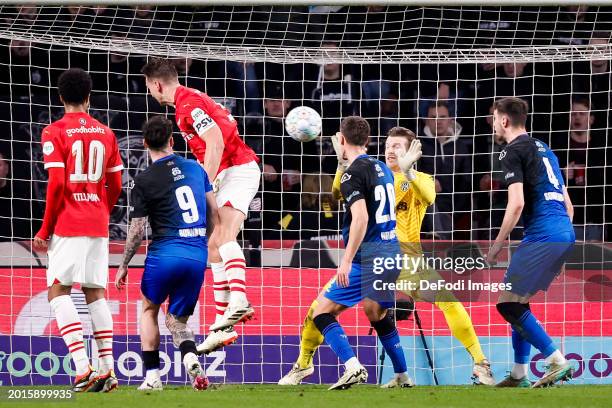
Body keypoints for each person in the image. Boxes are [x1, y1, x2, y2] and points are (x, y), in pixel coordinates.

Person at [279, 126, 494, 387]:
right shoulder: (375, 173)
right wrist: (342, 163)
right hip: (374, 257)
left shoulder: (419, 178)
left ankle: (480, 363)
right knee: (352, 311)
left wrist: (409, 171)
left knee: (448, 301)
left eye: (397, 146)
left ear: (412, 152)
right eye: (388, 145)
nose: (390, 150)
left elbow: (430, 195)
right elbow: (337, 193)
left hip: (408, 260)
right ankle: (304, 364)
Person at [141, 58, 260, 354]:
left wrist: (202, 182)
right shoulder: (191, 100)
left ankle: (240, 299)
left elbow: (216, 141)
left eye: (149, 88)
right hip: (229, 170)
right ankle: (223, 324)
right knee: (213, 243)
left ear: (157, 84)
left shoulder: (186, 105)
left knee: (224, 235)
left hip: (237, 169)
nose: (150, 94)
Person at [32, 68, 123, 392]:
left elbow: (56, 183)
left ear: (60, 97)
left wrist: (45, 229)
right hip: (97, 222)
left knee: (59, 291)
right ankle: (108, 370)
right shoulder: (106, 133)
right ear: (88, 96)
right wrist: (101, 209)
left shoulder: (53, 131)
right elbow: (116, 184)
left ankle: (83, 367)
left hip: (68, 223)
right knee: (95, 292)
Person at [115, 116, 217, 391]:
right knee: (177, 320)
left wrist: (124, 264)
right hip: (196, 254)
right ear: (173, 140)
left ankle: (152, 378)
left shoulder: (145, 180)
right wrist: (201, 242)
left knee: (149, 309)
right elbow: (213, 213)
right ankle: (190, 356)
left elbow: (136, 231)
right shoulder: (196, 169)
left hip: (164, 253)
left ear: (146, 143)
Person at [307, 116, 408, 390]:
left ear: (341, 140)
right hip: (391, 252)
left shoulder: (352, 174)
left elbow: (361, 218)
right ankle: (402, 375)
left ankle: (352, 367)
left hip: (369, 258)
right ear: (368, 140)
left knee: (321, 312)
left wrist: (346, 260)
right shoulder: (382, 167)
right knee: (376, 313)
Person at [486, 97, 575, 388]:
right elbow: (568, 206)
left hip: (543, 233)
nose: (492, 124)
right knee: (519, 301)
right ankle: (519, 374)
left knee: (507, 306)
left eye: (493, 118)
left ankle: (555, 360)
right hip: (564, 231)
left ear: (504, 120)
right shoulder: (546, 149)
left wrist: (497, 245)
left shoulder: (511, 150)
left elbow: (516, 204)